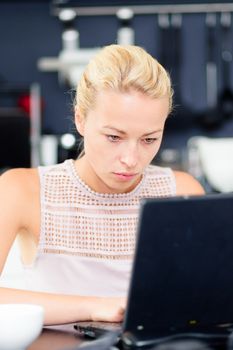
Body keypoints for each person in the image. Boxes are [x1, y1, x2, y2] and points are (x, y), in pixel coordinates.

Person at [0, 44, 204, 326]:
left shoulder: (182, 193)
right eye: (113, 137)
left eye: (148, 139)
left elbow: (205, 300)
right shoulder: (21, 189)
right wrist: (95, 307)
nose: (131, 160)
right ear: (80, 119)